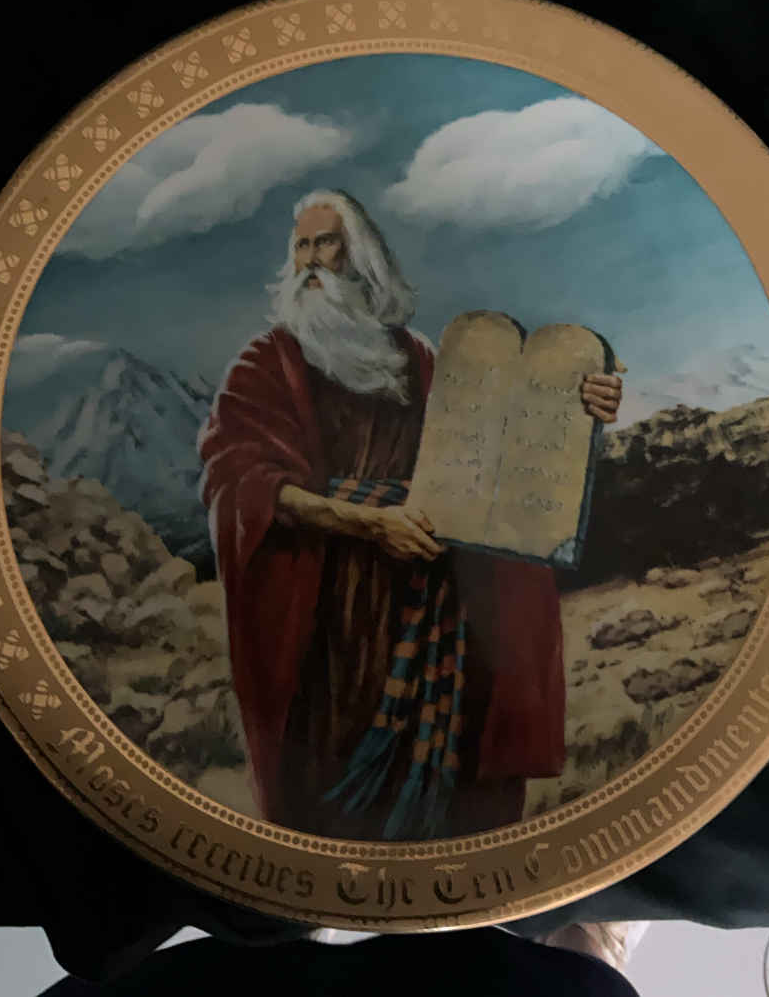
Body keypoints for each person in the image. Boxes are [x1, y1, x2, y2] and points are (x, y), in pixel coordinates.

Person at [198, 191, 622, 841]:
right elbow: (243, 478)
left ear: (364, 257)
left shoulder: (419, 358)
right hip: (328, 608)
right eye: (301, 247)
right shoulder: (266, 363)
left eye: (327, 243)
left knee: (443, 794)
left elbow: (497, 448)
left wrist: (578, 402)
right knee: (327, 779)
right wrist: (367, 524)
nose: (311, 261)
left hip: (429, 595)